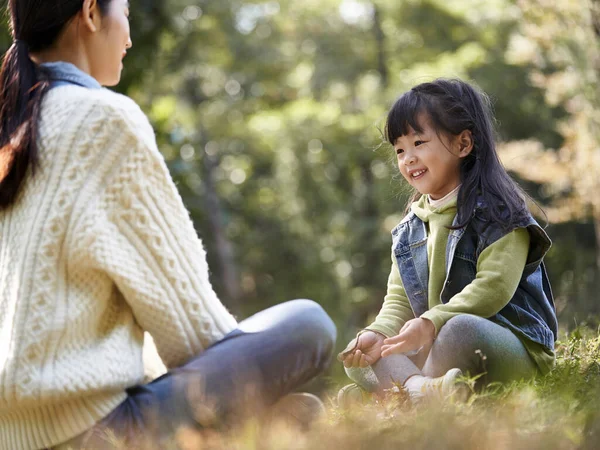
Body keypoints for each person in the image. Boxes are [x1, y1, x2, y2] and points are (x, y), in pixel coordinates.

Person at [0, 1, 336, 449]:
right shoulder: (102, 120)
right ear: (91, 14)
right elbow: (190, 327)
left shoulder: (12, 125)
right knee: (308, 325)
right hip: (95, 432)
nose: (130, 38)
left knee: (296, 413)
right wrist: (249, 385)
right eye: (126, 14)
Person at [337, 79, 557, 405]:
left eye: (419, 142)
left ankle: (401, 391)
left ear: (463, 143)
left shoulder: (500, 212)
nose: (408, 158)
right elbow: (397, 300)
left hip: (504, 345)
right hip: (435, 349)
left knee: (458, 330)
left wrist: (431, 322)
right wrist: (378, 333)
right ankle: (423, 391)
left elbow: (493, 287)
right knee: (365, 353)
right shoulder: (410, 228)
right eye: (400, 149)